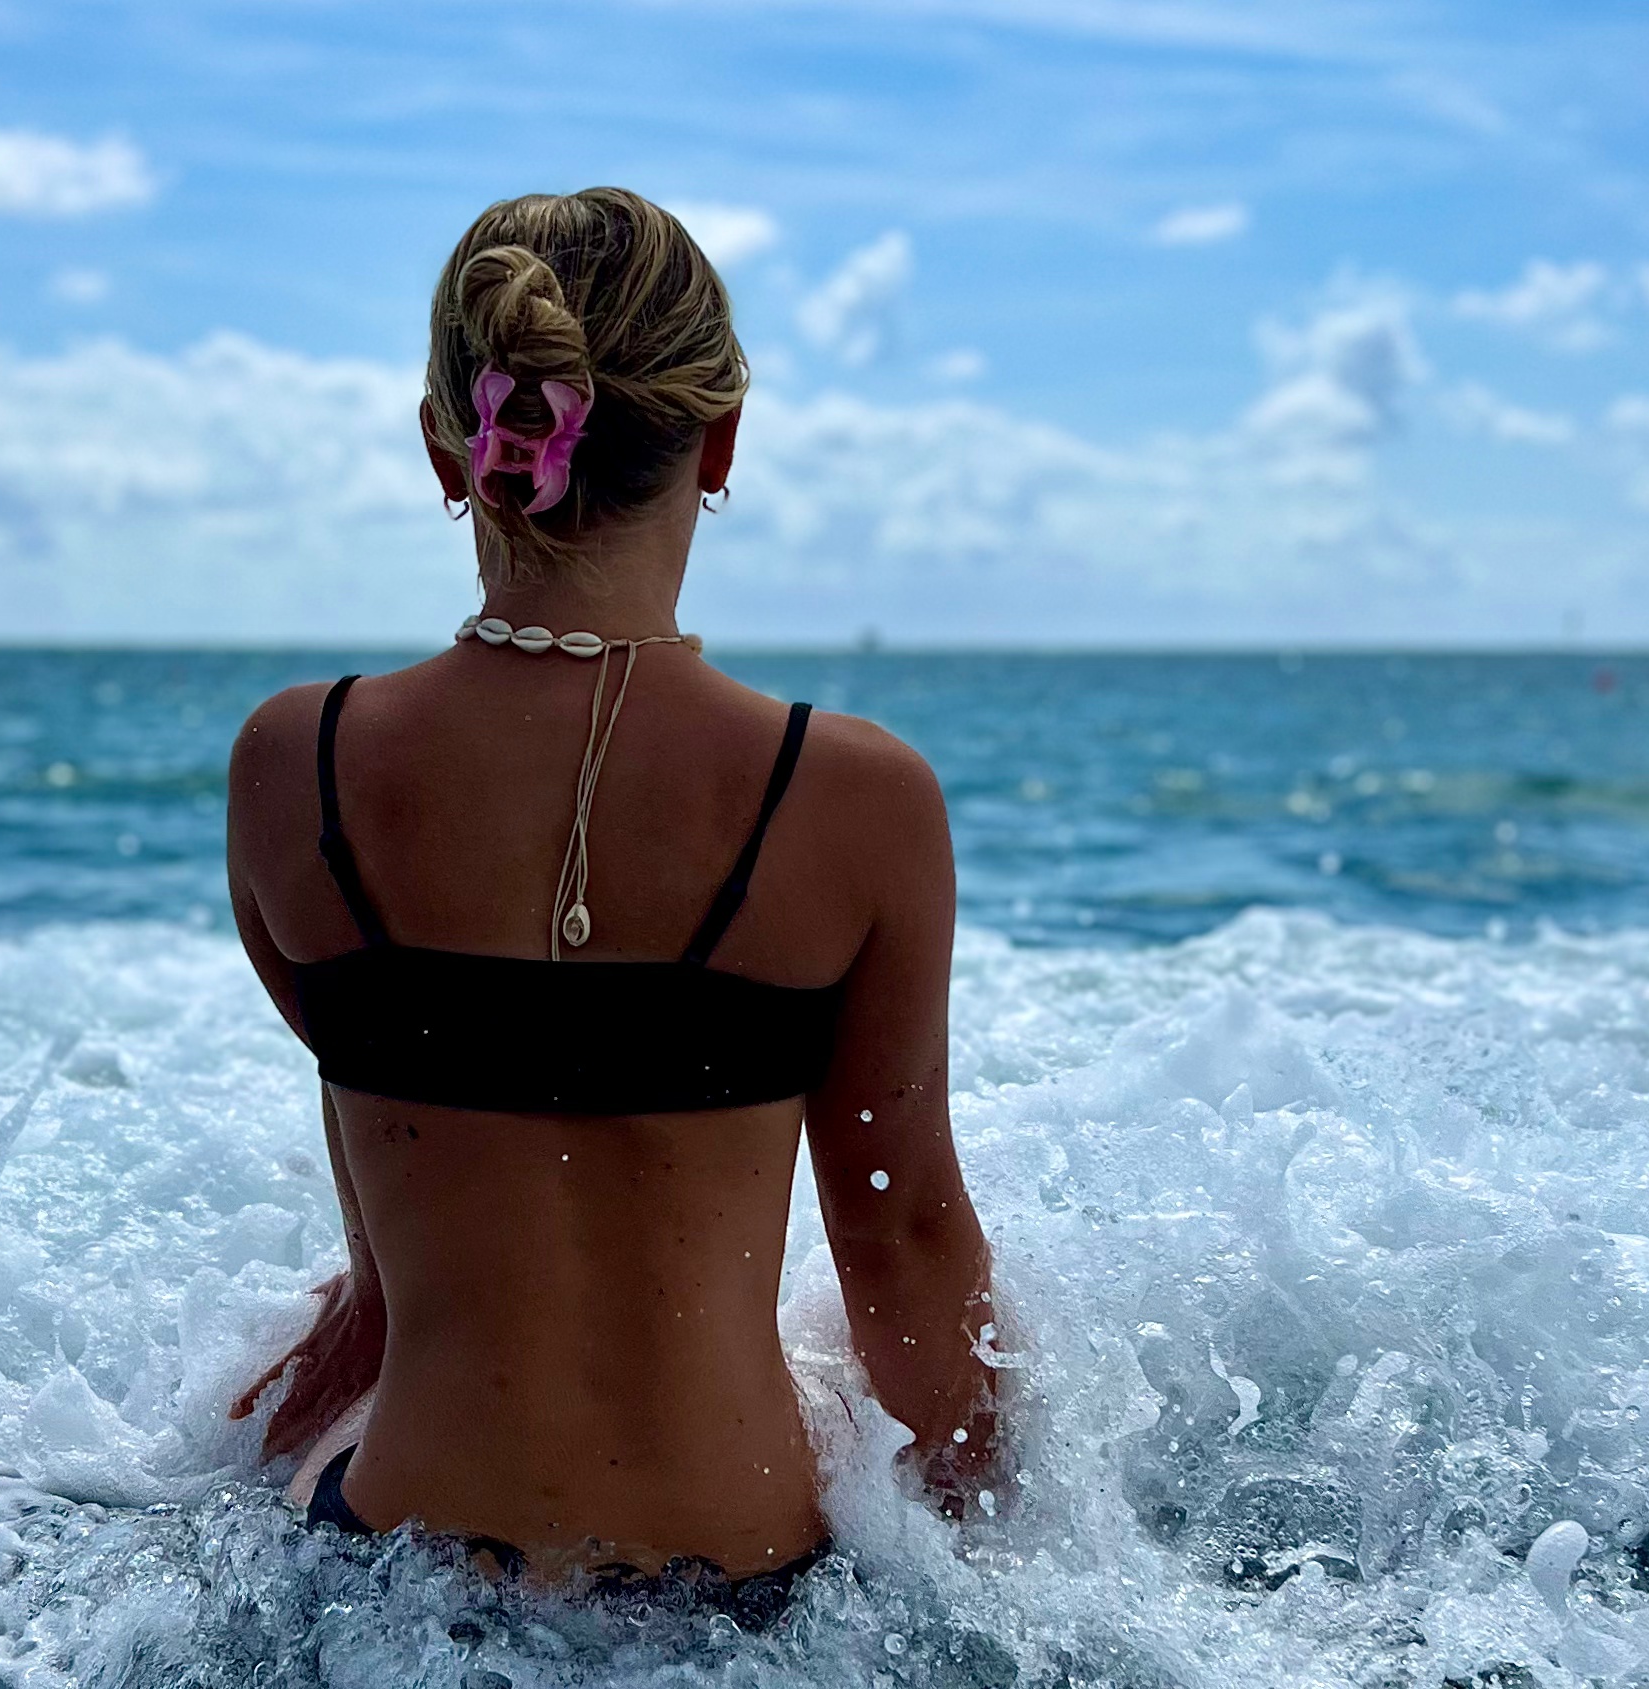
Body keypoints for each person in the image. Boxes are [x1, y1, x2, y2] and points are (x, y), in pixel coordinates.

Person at [222, 189, 998, 1617]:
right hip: (752, 1590)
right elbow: (905, 1242)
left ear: (447, 445)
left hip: (394, 1572)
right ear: (720, 443)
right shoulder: (855, 798)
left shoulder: (298, 767)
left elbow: (392, 1256)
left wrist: (199, 1458)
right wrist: (1012, 1547)